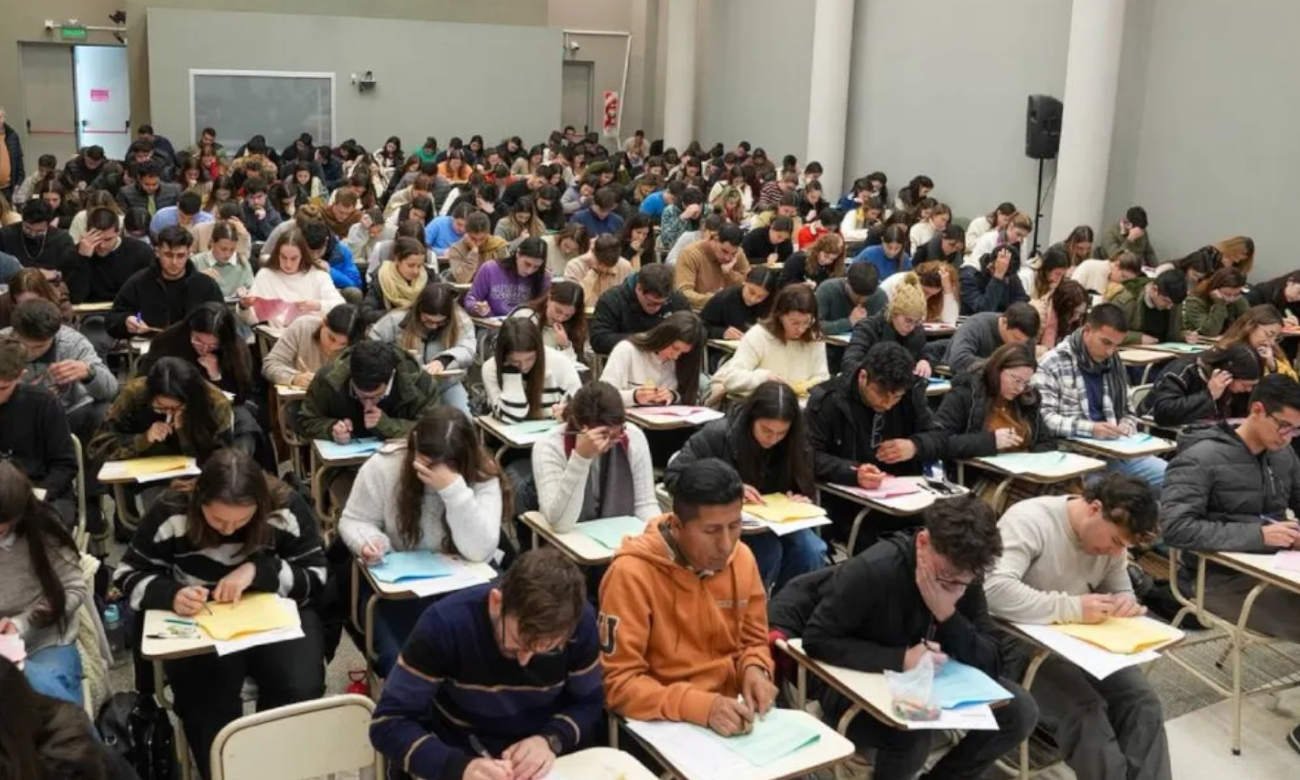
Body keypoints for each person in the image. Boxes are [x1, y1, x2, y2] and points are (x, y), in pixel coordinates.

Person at [113, 449, 327, 780]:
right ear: (199, 500)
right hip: (202, 622)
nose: (228, 530)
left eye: (241, 521)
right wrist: (170, 594)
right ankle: (224, 772)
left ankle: (276, 769)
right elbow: (127, 575)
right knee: (207, 701)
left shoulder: (284, 508)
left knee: (299, 687)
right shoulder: (171, 511)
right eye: (217, 520)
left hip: (276, 620)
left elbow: (317, 577)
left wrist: (260, 571)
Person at [801, 497, 1037, 780]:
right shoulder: (874, 570)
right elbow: (817, 639)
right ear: (923, 542)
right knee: (915, 730)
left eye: (964, 581)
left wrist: (947, 614)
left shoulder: (964, 574)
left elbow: (994, 660)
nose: (955, 588)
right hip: (856, 687)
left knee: (1020, 710)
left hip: (933, 685)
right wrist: (900, 659)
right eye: (946, 576)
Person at [985, 475, 1169, 780]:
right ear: (1095, 509)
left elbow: (1120, 587)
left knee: (1142, 702)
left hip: (1079, 639)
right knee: (1086, 713)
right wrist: (1073, 608)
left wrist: (1125, 603)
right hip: (1015, 641)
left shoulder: (1112, 543)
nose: (1115, 552)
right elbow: (994, 591)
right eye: (1115, 542)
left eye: (1123, 547)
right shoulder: (1030, 519)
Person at [371, 548, 601, 780]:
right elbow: (388, 723)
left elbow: (589, 702)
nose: (524, 661)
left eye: (548, 649)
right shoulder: (444, 626)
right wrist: (458, 767)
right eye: (516, 644)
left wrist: (551, 739)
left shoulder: (579, 623)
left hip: (541, 764)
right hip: (458, 755)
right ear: (495, 602)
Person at [1161, 373, 1300, 751]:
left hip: (1274, 569)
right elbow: (1175, 529)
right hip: (1217, 580)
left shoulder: (1282, 455)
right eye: (1284, 426)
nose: (1289, 437)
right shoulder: (1201, 458)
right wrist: (1258, 536)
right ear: (1257, 410)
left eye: (1296, 430)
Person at [598, 458, 777, 734]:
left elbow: (753, 642)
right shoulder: (630, 575)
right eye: (711, 531)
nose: (726, 545)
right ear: (677, 526)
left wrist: (755, 669)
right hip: (662, 722)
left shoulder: (742, 558)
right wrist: (700, 707)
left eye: (734, 526)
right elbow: (618, 684)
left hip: (731, 714)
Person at [339, 408, 505, 675]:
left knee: (483, 654)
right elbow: (354, 520)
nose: (432, 471)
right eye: (426, 462)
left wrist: (453, 490)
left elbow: (480, 551)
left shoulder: (482, 474)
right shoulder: (385, 466)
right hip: (403, 586)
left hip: (464, 581)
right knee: (407, 660)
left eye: (446, 465)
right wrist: (371, 541)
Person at [665, 381, 827, 591]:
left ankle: (786, 606)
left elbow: (803, 481)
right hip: (729, 520)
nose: (773, 439)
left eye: (781, 433)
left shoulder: (795, 441)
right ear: (752, 418)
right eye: (766, 430)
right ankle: (751, 604)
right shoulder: (719, 434)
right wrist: (728, 489)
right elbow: (675, 476)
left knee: (812, 550)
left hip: (777, 520)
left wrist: (799, 497)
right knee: (768, 552)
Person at [806, 343, 943, 548]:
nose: (887, 403)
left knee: (943, 530)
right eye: (880, 394)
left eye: (896, 397)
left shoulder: (910, 393)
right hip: (849, 502)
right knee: (874, 545)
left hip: (904, 494)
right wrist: (853, 472)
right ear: (863, 377)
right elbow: (808, 456)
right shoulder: (829, 399)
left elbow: (940, 437)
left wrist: (914, 446)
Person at [1032, 304, 1167, 486]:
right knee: (1108, 494)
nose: (1110, 352)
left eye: (1116, 346)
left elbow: (1129, 411)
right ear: (1087, 330)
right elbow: (1044, 419)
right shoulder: (1053, 362)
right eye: (1106, 342)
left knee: (1174, 479)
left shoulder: (1114, 364)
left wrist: (1126, 425)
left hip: (1116, 452)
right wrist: (1091, 429)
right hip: (1074, 457)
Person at [0, 458, 85, 706]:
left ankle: (76, 731)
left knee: (40, 689)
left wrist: (21, 623)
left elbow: (73, 588)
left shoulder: (42, 530)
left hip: (44, 641)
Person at [532, 381, 658, 532]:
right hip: (569, 537)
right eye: (603, 434)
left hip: (620, 534)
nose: (610, 442)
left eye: (617, 433)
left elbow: (645, 505)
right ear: (581, 427)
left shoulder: (632, 436)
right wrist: (581, 458)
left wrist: (658, 530)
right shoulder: (549, 445)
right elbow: (559, 523)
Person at [89, 356, 237, 467]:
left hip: (197, 476)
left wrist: (184, 432)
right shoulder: (134, 393)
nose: (169, 413)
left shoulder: (215, 402)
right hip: (142, 470)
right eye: (161, 406)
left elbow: (223, 460)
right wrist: (144, 439)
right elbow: (97, 449)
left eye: (176, 407)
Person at [0, 339, 79, 528]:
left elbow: (65, 465)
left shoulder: (44, 403)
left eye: (3, 388)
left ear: (21, 376)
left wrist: (37, 495)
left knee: (41, 528)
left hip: (41, 492)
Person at [298, 340, 441, 443]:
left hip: (403, 461)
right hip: (344, 466)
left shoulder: (420, 383)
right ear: (351, 377)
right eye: (360, 396)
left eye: (376, 397)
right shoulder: (328, 379)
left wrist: (387, 425)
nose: (368, 406)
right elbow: (306, 420)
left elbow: (432, 431)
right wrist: (330, 429)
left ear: (391, 376)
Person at [934, 342, 1052, 458]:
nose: (1020, 388)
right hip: (978, 468)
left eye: (1026, 383)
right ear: (997, 370)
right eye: (1016, 380)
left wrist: (1030, 458)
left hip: (1022, 467)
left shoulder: (1026, 398)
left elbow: (1046, 442)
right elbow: (939, 442)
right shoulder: (966, 394)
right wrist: (990, 441)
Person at [107, 225, 223, 339]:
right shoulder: (139, 282)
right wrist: (126, 321)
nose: (174, 262)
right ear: (157, 252)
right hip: (151, 344)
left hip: (195, 346)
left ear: (189, 253)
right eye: (168, 255)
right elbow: (113, 318)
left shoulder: (205, 285)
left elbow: (223, 320)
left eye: (180, 256)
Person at [482, 318, 582, 424]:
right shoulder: (490, 368)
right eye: (515, 361)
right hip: (506, 431)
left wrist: (566, 411)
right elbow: (511, 417)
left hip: (553, 428)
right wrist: (511, 374)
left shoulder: (559, 362)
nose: (523, 367)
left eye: (530, 359)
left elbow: (580, 407)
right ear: (504, 357)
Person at [1138, 342, 1260, 426]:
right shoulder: (1182, 371)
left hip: (1205, 433)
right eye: (1245, 385)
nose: (1249, 390)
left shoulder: (1235, 388)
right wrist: (1209, 395)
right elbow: (1164, 412)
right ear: (1226, 374)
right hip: (1161, 431)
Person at [599, 310, 704, 408]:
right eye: (675, 348)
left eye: (682, 353)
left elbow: (688, 396)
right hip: (626, 417)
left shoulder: (684, 360)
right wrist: (634, 396)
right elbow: (602, 397)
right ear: (664, 336)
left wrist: (673, 396)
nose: (675, 356)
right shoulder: (627, 349)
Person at [841, 274, 930, 377]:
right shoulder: (868, 328)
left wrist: (924, 361)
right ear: (894, 312)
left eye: (917, 322)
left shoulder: (917, 331)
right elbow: (849, 362)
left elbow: (924, 353)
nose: (912, 327)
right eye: (908, 320)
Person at [244, 229, 345, 318]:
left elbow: (340, 306)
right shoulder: (266, 275)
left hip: (309, 330)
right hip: (269, 331)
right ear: (277, 254)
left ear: (303, 256)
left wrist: (317, 305)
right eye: (283, 257)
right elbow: (251, 320)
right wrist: (243, 307)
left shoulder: (319, 276)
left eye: (294, 259)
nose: (288, 264)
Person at [63, 205, 154, 304]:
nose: (102, 245)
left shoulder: (140, 252)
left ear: (118, 232)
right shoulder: (74, 253)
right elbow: (75, 298)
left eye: (108, 239)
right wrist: (83, 258)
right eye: (97, 239)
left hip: (127, 308)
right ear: (87, 233)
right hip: (88, 310)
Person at [589, 265, 689, 355]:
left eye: (662, 304)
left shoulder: (677, 300)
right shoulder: (612, 300)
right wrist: (645, 340)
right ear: (639, 288)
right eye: (651, 303)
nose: (657, 308)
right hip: (625, 361)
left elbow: (690, 332)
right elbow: (599, 340)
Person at [262, 304, 364, 389]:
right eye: (331, 338)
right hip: (298, 399)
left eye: (342, 344)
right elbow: (270, 364)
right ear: (324, 323)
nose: (333, 347)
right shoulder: (302, 327)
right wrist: (294, 378)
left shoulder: (357, 346)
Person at [465, 237, 550, 318]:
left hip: (525, 325)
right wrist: (478, 308)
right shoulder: (490, 269)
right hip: (491, 323)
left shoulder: (543, 277)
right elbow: (470, 300)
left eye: (536, 267)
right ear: (518, 254)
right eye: (527, 264)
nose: (529, 271)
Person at [944, 303, 1042, 374]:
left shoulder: (1027, 337)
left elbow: (1030, 366)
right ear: (1004, 322)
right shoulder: (976, 326)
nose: (1019, 345)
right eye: (1016, 338)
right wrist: (999, 367)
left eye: (1024, 342)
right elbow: (958, 360)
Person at [675, 225, 751, 311]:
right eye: (724, 251)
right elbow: (683, 294)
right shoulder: (690, 254)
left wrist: (730, 274)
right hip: (700, 310)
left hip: (730, 309)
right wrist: (716, 299)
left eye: (733, 254)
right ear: (713, 240)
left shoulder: (738, 253)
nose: (728, 258)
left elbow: (749, 283)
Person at [509, 281, 587, 363]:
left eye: (567, 315)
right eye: (558, 311)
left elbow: (574, 364)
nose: (560, 318)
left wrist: (565, 346)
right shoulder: (526, 316)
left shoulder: (574, 326)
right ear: (549, 299)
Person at [1107, 268, 1188, 345]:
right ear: (1154, 290)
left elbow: (1174, 333)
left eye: (1173, 304)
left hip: (1164, 350)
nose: (1169, 307)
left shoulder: (1174, 301)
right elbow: (1108, 331)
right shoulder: (1128, 300)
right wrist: (1138, 338)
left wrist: (1184, 335)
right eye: (1166, 301)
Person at [1220, 304, 1298, 379]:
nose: (1271, 342)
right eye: (1269, 334)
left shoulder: (1274, 351)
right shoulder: (1228, 351)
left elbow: (1293, 381)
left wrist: (1273, 366)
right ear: (1251, 326)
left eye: (1276, 338)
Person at [700, 265, 778, 340]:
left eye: (761, 297)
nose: (753, 299)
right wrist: (722, 332)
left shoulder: (771, 302)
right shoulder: (724, 298)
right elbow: (701, 328)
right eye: (751, 292)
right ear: (745, 281)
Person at [817, 261, 887, 336]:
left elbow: (885, 329)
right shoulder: (827, 289)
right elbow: (814, 326)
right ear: (847, 283)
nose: (861, 300)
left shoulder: (880, 296)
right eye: (857, 296)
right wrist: (849, 322)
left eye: (866, 296)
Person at [961, 243, 1030, 315]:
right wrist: (998, 277)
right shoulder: (969, 276)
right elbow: (983, 310)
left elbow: (1022, 300)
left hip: (1003, 318)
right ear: (990, 266)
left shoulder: (1008, 272)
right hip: (973, 319)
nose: (1006, 281)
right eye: (1004, 277)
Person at [191, 221, 254, 298]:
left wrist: (246, 294)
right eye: (223, 249)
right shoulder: (196, 262)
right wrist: (199, 279)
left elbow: (252, 292)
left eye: (232, 250)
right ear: (212, 242)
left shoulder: (243, 264)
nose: (228, 254)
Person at [1181, 267, 1248, 339]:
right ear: (1214, 289)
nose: (1231, 299)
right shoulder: (1195, 301)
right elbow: (1210, 331)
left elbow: (1248, 324)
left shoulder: (1238, 299)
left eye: (1236, 294)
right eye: (1227, 294)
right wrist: (1219, 304)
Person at [365, 236, 426, 312]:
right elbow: (367, 312)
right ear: (397, 260)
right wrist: (398, 313)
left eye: (419, 266)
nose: (416, 271)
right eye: (410, 265)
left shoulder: (428, 277)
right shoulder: (382, 277)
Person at [1032, 279, 1090, 350]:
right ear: (1063, 308)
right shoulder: (1037, 314)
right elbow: (1024, 348)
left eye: (1080, 314)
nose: (1077, 317)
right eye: (1074, 312)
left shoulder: (1075, 322)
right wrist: (1047, 351)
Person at [780, 231, 845, 289]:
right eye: (825, 256)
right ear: (818, 249)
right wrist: (801, 286)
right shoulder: (797, 259)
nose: (827, 261)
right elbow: (783, 284)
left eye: (832, 259)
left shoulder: (835, 266)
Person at [1072, 249, 1142, 300]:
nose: (1123, 282)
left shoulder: (1115, 283)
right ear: (1116, 265)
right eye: (1123, 276)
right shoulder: (1089, 266)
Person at [147, 190, 213, 238]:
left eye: (191, 218)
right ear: (178, 205)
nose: (186, 221)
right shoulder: (161, 216)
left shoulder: (208, 220)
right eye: (182, 216)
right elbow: (154, 235)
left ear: (199, 210)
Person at [0, 107, 23, 201]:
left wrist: (19, 182)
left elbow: (19, 160)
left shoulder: (12, 136)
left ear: (4, 118)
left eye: (0, 117)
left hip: (8, 189)